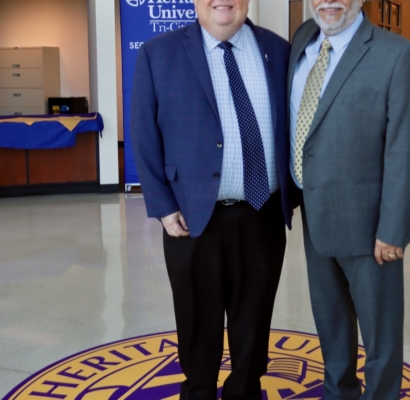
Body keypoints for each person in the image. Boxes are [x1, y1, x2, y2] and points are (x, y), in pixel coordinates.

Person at [130, 0, 293, 399]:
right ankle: (198, 391)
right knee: (197, 321)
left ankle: (245, 391)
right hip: (190, 218)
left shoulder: (280, 50)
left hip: (262, 213)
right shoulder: (158, 53)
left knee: (253, 320)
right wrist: (163, 206)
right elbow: (144, 136)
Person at [289, 0, 410, 398]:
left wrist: (393, 229)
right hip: (315, 216)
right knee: (331, 326)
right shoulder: (303, 39)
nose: (329, 1)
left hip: (371, 231)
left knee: (380, 337)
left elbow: (405, 149)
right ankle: (339, 393)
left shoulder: (397, 55)